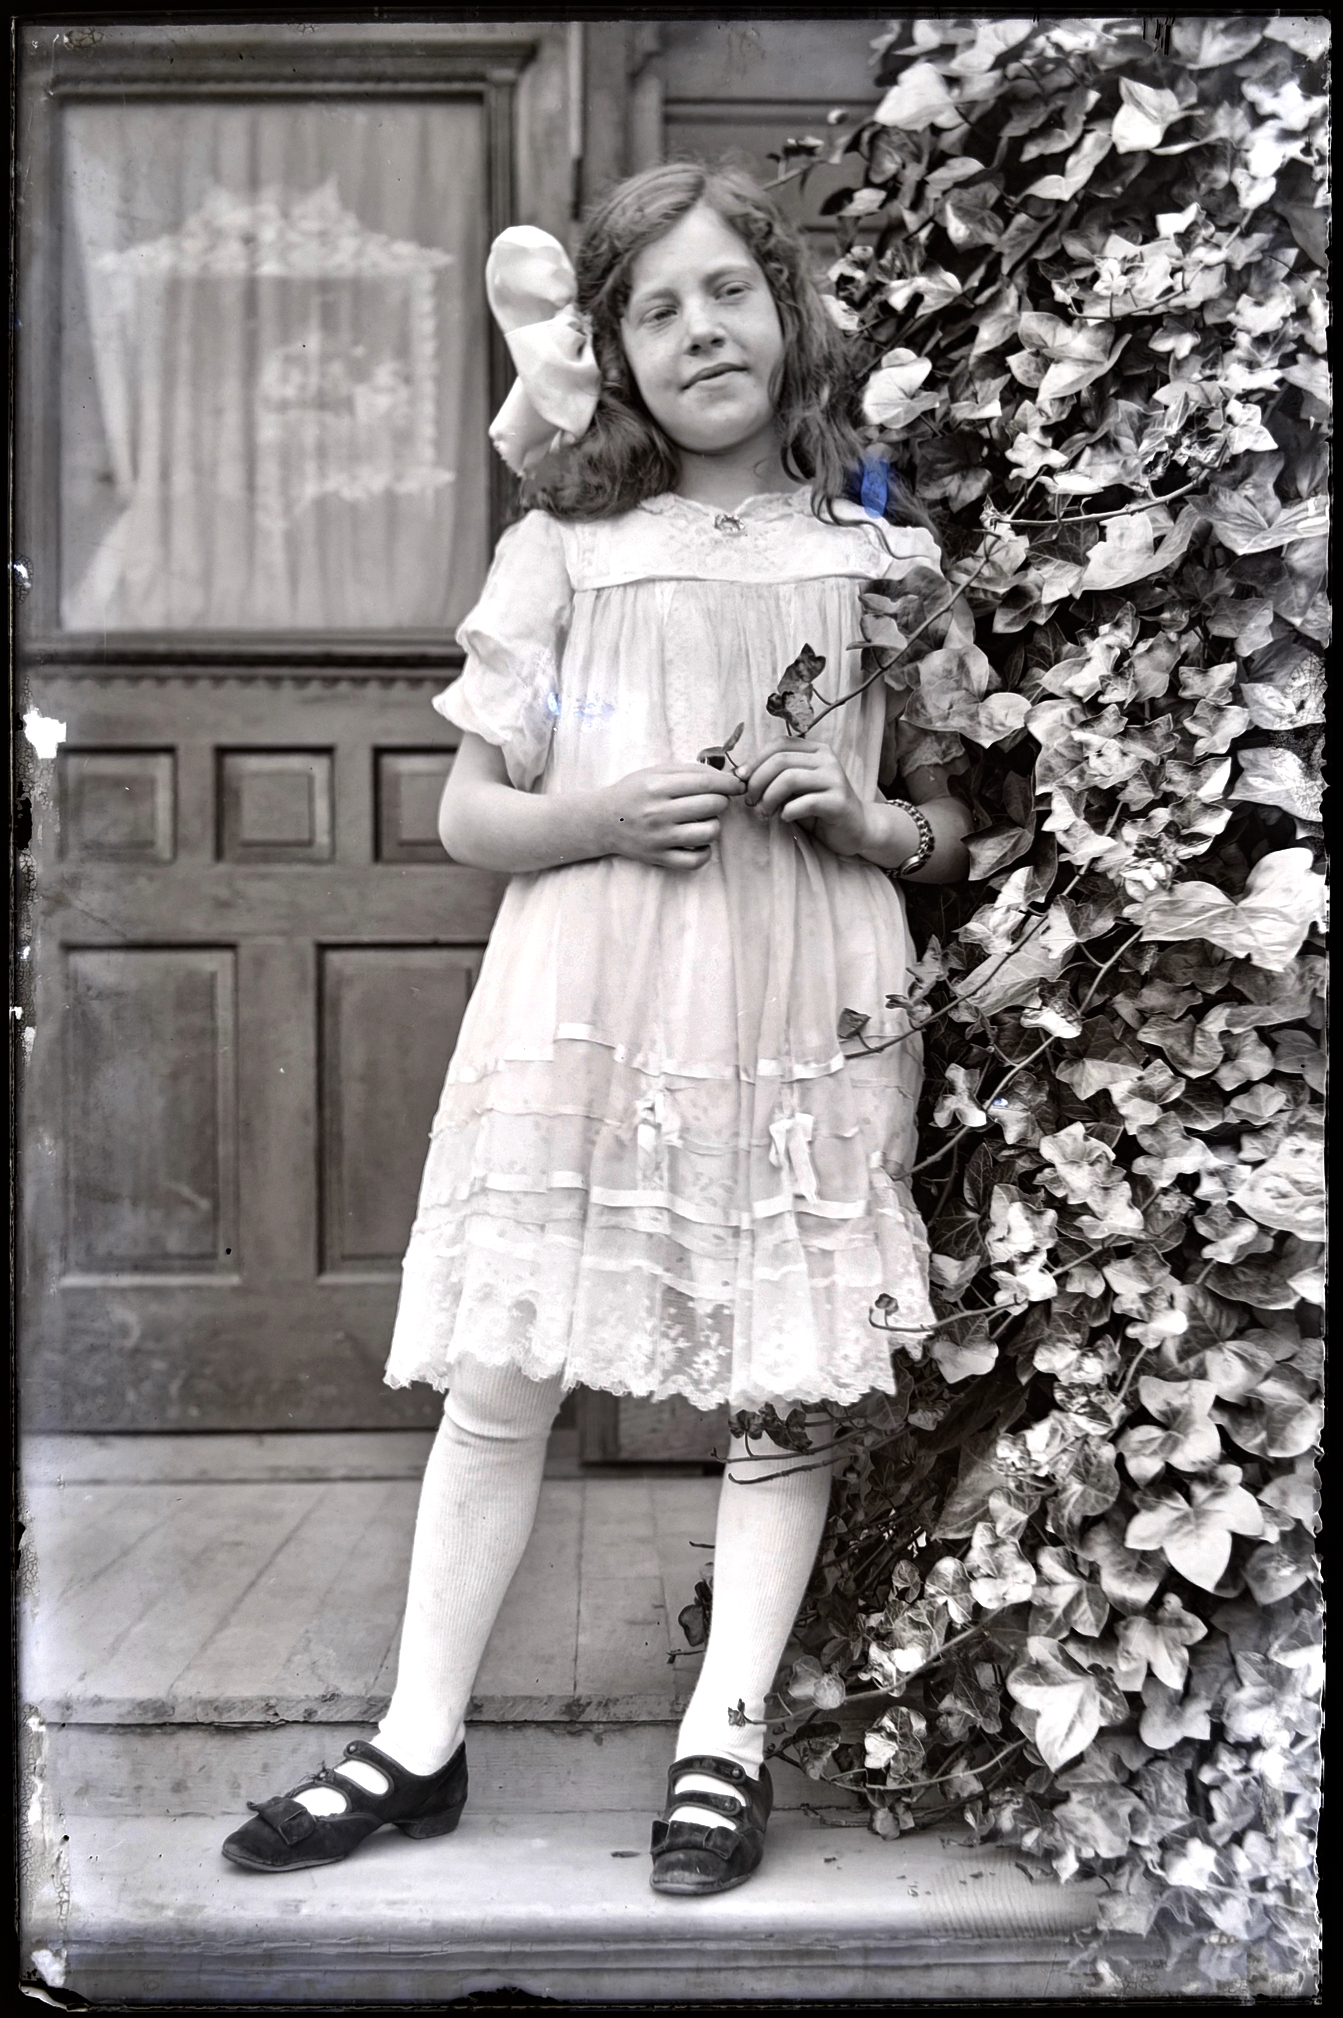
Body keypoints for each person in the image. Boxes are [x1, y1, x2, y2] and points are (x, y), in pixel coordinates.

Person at [222, 162, 970, 1896]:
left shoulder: (886, 562)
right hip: (588, 997)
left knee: (785, 1376)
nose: (701, 331)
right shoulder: (564, 551)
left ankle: (725, 1736)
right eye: (656, 309)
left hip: (810, 998)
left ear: (789, 312)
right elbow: (469, 816)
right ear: (612, 356)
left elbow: (957, 827)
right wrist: (600, 814)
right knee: (504, 1377)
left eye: (730, 292)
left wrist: (870, 821)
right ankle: (417, 1737)